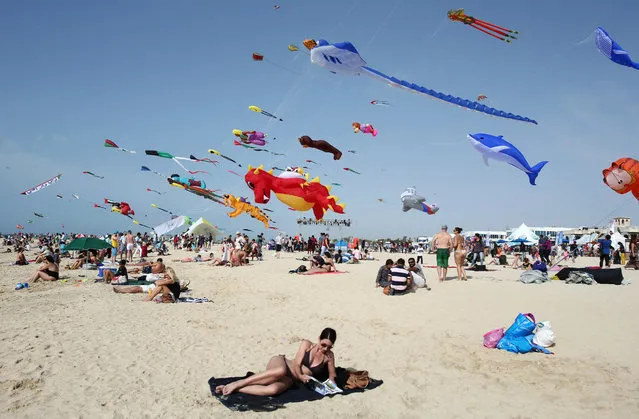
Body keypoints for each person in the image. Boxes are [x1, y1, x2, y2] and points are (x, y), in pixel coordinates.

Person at [215, 328, 337, 396]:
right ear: (319, 339)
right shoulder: (306, 344)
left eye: (329, 347)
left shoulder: (329, 357)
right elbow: (296, 365)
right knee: (279, 371)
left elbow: (332, 376)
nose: (325, 349)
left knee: (272, 390)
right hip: (283, 364)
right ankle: (238, 382)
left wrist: (330, 385)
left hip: (290, 379)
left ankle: (234, 388)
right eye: (324, 344)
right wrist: (300, 376)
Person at [113, 266, 182, 303]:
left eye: (166, 273)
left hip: (173, 297)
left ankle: (148, 298)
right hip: (171, 295)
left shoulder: (171, 280)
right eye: (165, 273)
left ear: (170, 274)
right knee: (160, 286)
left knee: (161, 286)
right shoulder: (171, 280)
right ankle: (121, 290)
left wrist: (162, 281)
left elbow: (157, 283)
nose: (165, 274)